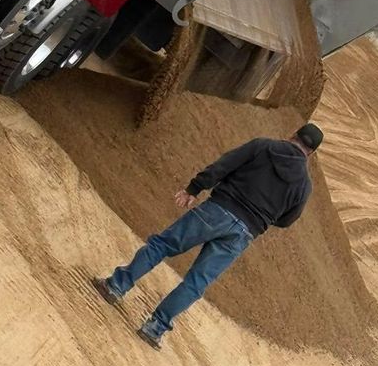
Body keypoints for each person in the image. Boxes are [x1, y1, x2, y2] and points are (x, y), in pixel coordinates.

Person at [93, 124, 323, 349]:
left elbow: (224, 165)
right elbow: (288, 220)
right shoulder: (304, 186)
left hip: (218, 209)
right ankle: (155, 328)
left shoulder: (263, 146)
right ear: (311, 153)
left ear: (293, 134)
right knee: (197, 282)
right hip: (244, 233)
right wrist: (262, 218)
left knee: (162, 245)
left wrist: (194, 189)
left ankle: (116, 287)